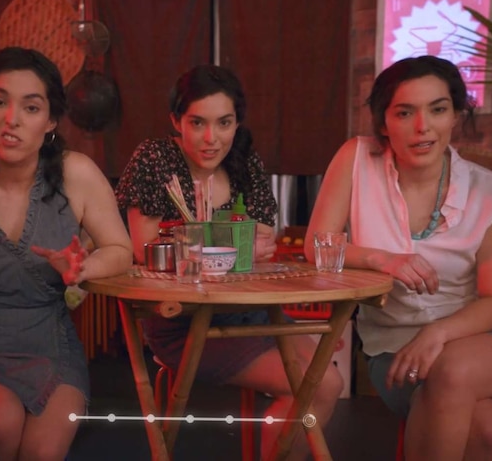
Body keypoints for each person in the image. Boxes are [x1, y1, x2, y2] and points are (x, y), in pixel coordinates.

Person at [305, 56, 492, 461]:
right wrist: (384, 259)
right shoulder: (356, 160)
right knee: (488, 428)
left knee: (451, 370)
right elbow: (316, 247)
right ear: (383, 123)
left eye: (438, 109)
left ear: (455, 115)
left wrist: (438, 334)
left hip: (488, 340)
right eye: (404, 112)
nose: (422, 127)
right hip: (394, 346)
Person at [115, 64, 343, 460]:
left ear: (237, 122)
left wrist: (239, 244)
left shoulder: (243, 160)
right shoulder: (155, 158)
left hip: (250, 311)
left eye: (224, 123)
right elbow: (146, 249)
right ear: (176, 121)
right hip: (183, 321)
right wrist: (235, 246)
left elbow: (264, 240)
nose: (211, 138)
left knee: (331, 383)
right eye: (197, 123)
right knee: (317, 386)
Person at [0, 47, 132, 460]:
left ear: (50, 120)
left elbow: (121, 250)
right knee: (1, 421)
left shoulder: (77, 174)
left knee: (41, 453)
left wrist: (84, 266)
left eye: (30, 107)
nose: (11, 119)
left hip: (49, 345)